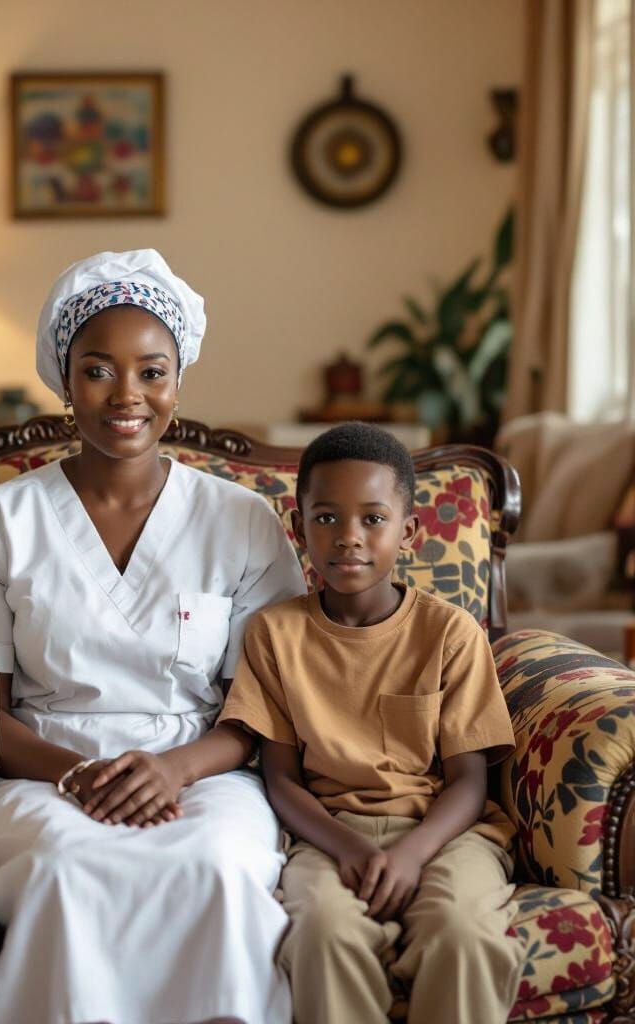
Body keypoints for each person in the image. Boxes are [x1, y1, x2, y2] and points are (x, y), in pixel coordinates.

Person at [0, 249, 307, 1024]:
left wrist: (173, 770)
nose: (126, 395)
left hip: (204, 772)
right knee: (63, 870)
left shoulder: (242, 519)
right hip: (40, 770)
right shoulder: (3, 519)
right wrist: (77, 776)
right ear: (65, 383)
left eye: (151, 371)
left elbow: (263, 707)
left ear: (179, 380)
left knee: (217, 867)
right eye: (98, 370)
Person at [220, 422, 524, 1024]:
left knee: (463, 935)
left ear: (408, 532)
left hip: (442, 833)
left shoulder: (449, 633)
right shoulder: (274, 634)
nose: (348, 538)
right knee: (324, 936)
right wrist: (349, 847)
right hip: (326, 835)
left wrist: (412, 853)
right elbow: (280, 779)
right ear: (298, 526)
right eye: (326, 518)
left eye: (373, 519)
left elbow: (468, 781)